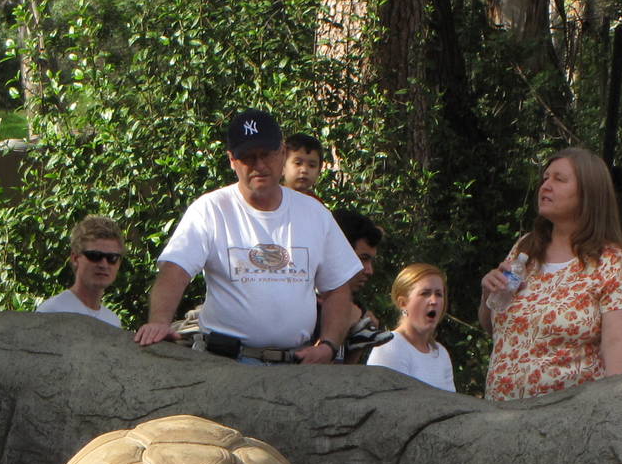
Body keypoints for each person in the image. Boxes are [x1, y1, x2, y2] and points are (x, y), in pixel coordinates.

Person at [134, 110, 360, 364]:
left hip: (296, 365)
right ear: (232, 160)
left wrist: (328, 346)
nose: (259, 165)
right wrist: (158, 323)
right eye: (248, 158)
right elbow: (175, 270)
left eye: (266, 154)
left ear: (282, 152)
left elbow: (337, 288)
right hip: (226, 363)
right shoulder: (211, 208)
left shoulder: (315, 213)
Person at [478, 147, 622, 400]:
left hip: (567, 424)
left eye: (559, 179)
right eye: (545, 178)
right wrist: (488, 294)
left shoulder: (612, 263)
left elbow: (618, 344)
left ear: (589, 193)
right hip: (502, 419)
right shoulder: (525, 249)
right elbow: (498, 332)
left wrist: (616, 407)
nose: (545, 186)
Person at [366, 263, 455, 392]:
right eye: (425, 293)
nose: (434, 301)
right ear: (403, 303)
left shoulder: (441, 353)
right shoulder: (389, 346)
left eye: (439, 294)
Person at [35, 215, 124, 326]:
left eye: (112, 258)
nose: (104, 264)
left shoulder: (113, 321)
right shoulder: (53, 310)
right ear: (75, 258)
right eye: (95, 256)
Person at [328, 208, 391, 363]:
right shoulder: (304, 311)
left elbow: (344, 379)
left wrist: (357, 342)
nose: (369, 270)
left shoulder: (357, 311)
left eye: (371, 261)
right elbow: (303, 376)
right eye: (363, 258)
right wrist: (337, 329)